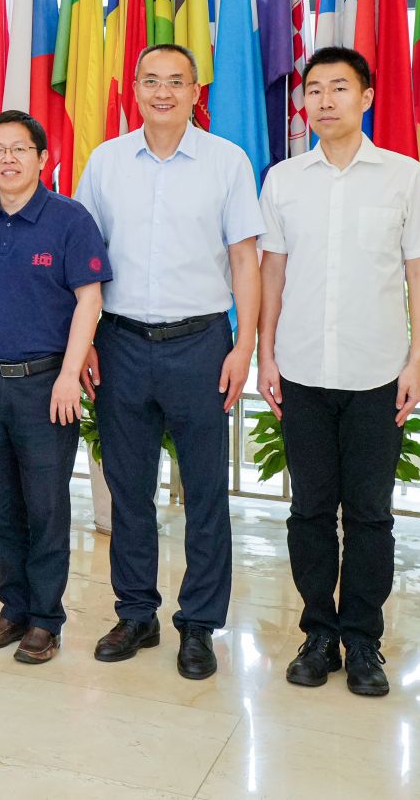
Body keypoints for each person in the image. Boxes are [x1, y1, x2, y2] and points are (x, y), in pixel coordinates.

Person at [258, 47, 420, 698]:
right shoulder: (284, 179)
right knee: (310, 510)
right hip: (303, 371)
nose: (324, 100)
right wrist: (265, 354)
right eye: (314, 89)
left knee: (369, 514)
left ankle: (363, 638)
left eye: (339, 87)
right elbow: (273, 271)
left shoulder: (403, 176)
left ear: (366, 97)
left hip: (377, 375)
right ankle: (318, 633)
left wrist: (416, 360)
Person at [74, 43, 263, 680]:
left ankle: (199, 624)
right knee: (129, 490)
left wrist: (243, 346)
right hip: (120, 344)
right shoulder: (105, 162)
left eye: (176, 82)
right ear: (134, 89)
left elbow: (245, 260)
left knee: (205, 491)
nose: (163, 92)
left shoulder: (227, 162)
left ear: (194, 92)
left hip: (200, 344)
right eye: (151, 81)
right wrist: (86, 341)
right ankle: (136, 613)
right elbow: (84, 261)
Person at [0, 110, 110, 666]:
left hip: (46, 384)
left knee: (44, 506)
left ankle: (45, 619)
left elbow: (90, 298)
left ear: (43, 158)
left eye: (20, 148)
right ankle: (13, 607)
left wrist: (68, 374)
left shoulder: (69, 219)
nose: (9, 158)